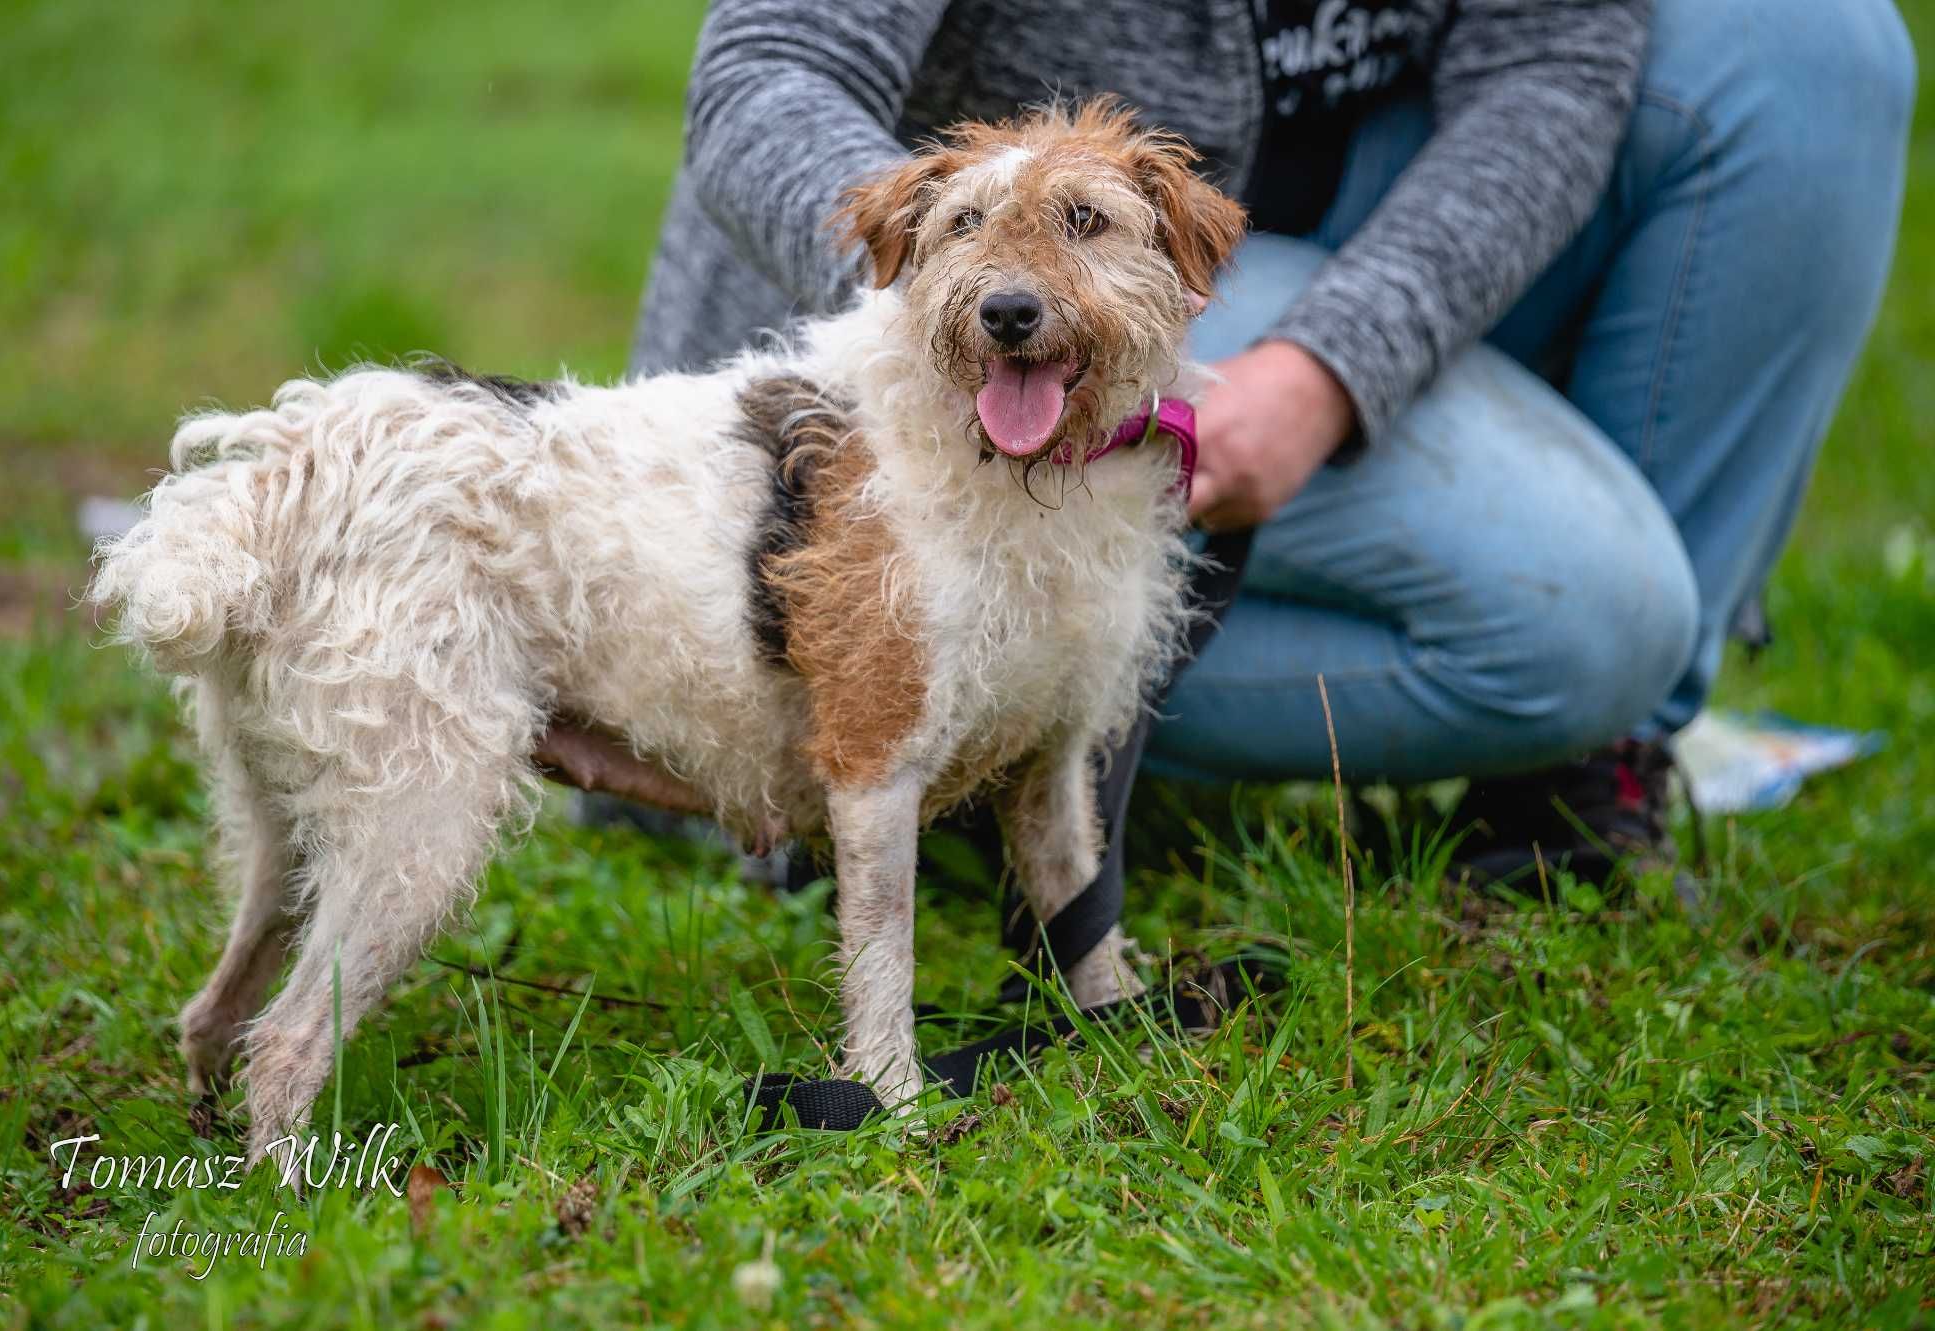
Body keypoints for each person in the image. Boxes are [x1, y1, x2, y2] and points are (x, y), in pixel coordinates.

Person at [606, 0, 1914, 886]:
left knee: (1807, 51)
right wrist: (939, 301)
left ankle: (1586, 772)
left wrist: (1336, 368)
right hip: (940, 344)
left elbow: (1552, 65)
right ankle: (890, 731)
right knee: (1591, 626)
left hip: (1306, 269)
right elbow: (769, 75)